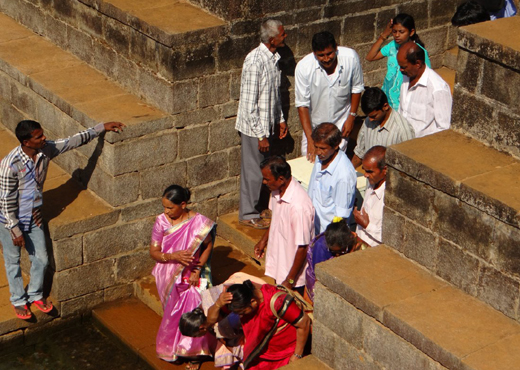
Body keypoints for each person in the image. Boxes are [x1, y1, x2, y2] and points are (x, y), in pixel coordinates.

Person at [0, 119, 125, 320]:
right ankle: (18, 299)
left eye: (42, 134)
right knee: (12, 261)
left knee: (41, 258)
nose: (44, 138)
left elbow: (71, 141)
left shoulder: (45, 150)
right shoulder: (9, 165)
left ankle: (35, 294)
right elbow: (5, 201)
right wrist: (14, 230)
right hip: (10, 220)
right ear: (26, 142)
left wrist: (100, 128)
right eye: (39, 136)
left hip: (34, 216)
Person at [150, 185, 216, 369]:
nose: (166, 211)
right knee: (172, 314)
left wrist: (197, 269)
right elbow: (154, 252)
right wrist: (173, 256)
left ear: (183, 204)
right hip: (168, 276)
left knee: (193, 313)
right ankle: (172, 348)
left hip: (191, 276)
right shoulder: (161, 222)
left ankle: (193, 355)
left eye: (170, 208)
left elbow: (208, 246)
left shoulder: (199, 222)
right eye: (164, 207)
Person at [236, 19, 289, 229]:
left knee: (264, 169)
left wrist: (281, 120)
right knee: (253, 172)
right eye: (282, 34)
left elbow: (273, 95)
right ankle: (248, 213)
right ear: (272, 38)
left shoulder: (273, 59)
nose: (285, 37)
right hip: (254, 129)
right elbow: (249, 105)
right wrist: (260, 135)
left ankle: (258, 207)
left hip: (266, 126)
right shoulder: (254, 61)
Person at [209, 280, 311, 369]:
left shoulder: (277, 302)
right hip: (261, 353)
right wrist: (218, 303)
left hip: (283, 354)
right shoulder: (239, 298)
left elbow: (304, 323)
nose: (241, 317)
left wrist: (297, 355)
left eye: (243, 313)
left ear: (253, 302)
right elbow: (210, 320)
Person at [295, 31, 364, 161]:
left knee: (336, 160)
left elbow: (357, 88)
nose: (326, 59)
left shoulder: (351, 58)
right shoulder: (303, 68)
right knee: (309, 160)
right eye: (321, 55)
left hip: (340, 122)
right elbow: (302, 105)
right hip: (314, 125)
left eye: (329, 53)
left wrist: (351, 117)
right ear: (314, 53)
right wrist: (310, 140)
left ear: (336, 48)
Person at [179, 273, 267, 368]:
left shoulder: (222, 324)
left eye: (196, 336)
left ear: (201, 328)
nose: (198, 337)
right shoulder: (204, 299)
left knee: (232, 343)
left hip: (254, 292)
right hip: (241, 279)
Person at [254, 156, 314, 293]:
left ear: (281, 179)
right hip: (280, 264)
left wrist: (290, 280)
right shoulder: (276, 191)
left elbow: (303, 247)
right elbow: (276, 219)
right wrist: (263, 241)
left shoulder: (299, 207)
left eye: (267, 179)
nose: (264, 182)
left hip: (294, 275)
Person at [366, 13, 431, 110]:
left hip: (404, 103)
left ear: (411, 32)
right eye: (394, 31)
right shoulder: (392, 46)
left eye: (401, 32)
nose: (397, 35)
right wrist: (384, 35)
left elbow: (427, 77)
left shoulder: (419, 51)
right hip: (388, 99)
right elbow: (370, 57)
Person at [307, 123, 357, 234]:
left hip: (327, 236)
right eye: (316, 147)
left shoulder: (344, 176)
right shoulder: (321, 157)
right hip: (312, 228)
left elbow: (340, 218)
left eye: (323, 148)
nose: (318, 152)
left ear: (335, 146)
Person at [397, 41, 452, 138]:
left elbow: (444, 128)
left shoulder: (438, 88)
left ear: (418, 64)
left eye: (403, 67)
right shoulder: (406, 77)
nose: (400, 70)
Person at [304, 217, 366, 303]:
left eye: (341, 251)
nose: (336, 255)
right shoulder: (321, 247)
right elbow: (319, 278)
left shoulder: (356, 244)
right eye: (333, 252)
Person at [351, 87, 415, 168]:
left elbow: (408, 165)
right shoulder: (368, 121)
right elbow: (359, 153)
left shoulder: (403, 130)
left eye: (374, 116)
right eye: (369, 116)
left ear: (385, 106)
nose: (370, 120)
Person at [353, 146, 387, 247]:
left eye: (370, 171)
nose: (365, 175)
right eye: (364, 170)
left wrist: (367, 225)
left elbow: (390, 237)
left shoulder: (389, 199)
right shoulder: (371, 184)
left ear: (384, 170)